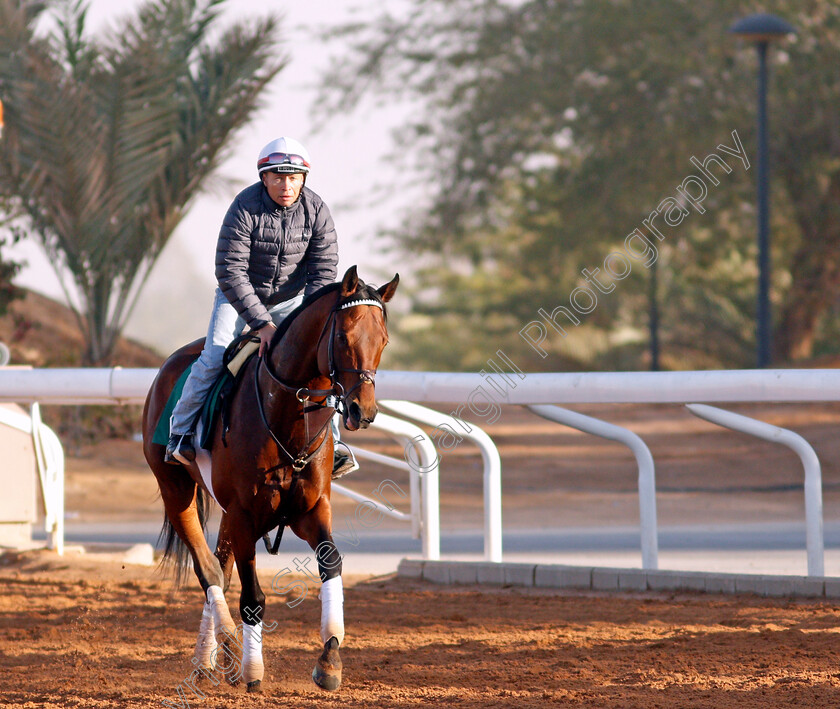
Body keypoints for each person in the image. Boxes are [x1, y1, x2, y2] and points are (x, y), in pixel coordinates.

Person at [165, 137, 356, 477]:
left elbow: (324, 272)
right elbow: (229, 270)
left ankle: (336, 445)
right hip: (239, 298)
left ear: (303, 180)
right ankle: (179, 434)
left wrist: (305, 317)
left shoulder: (317, 210)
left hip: (293, 300)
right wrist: (262, 323)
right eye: (279, 177)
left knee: (320, 360)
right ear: (264, 178)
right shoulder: (243, 206)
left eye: (294, 177)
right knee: (214, 356)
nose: (286, 185)